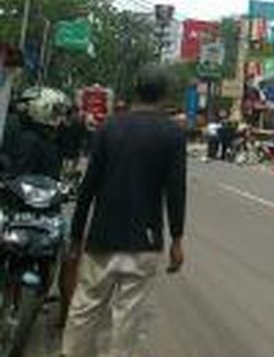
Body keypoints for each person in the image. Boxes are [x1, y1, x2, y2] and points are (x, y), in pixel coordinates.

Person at [63, 64, 187, 357]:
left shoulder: (109, 127)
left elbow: (88, 187)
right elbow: (175, 191)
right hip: (144, 241)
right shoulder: (172, 134)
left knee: (85, 307)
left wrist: (76, 236)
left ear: (136, 90)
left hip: (101, 238)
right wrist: (177, 241)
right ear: (163, 95)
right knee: (127, 317)